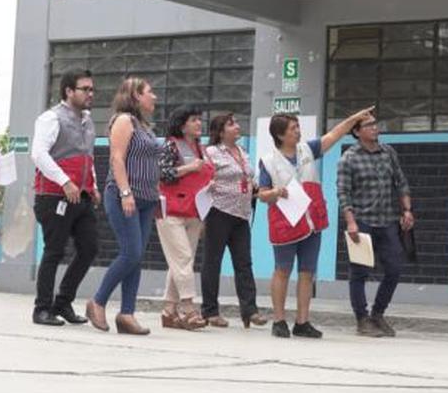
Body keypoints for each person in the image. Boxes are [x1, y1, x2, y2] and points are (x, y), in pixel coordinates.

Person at [257, 107, 375, 339]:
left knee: (307, 272)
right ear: (280, 135)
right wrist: (275, 192)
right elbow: (261, 194)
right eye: (293, 128)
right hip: (286, 222)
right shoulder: (269, 161)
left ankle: (302, 321)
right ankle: (279, 320)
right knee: (282, 270)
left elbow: (334, 134)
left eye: (298, 126)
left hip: (312, 221)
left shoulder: (307, 150)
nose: (298, 131)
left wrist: (353, 117)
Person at [86, 78, 159, 335]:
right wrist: (126, 192)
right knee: (131, 252)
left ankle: (127, 314)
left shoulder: (145, 126)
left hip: (147, 200)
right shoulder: (124, 121)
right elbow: (116, 158)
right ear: (136, 96)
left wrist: (156, 196)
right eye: (150, 92)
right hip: (123, 196)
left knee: (136, 257)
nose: (155, 97)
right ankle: (98, 300)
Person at [29, 69, 99, 326]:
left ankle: (63, 302)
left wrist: (94, 185)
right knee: (54, 251)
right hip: (53, 195)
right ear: (69, 91)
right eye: (85, 89)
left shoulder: (88, 121)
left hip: (81, 196)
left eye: (92, 89)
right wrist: (65, 181)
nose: (90, 94)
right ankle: (42, 309)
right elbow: (39, 154)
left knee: (89, 248)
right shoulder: (51, 118)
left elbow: (87, 157)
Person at [337, 113, 413, 338]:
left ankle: (378, 314)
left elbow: (401, 182)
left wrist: (407, 210)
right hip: (361, 222)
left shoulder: (388, 153)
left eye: (375, 124)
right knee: (359, 272)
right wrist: (351, 222)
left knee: (395, 268)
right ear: (357, 132)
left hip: (387, 220)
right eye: (368, 125)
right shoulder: (348, 158)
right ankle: (362, 319)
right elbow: (343, 193)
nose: (374, 128)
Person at [200, 113, 266, 329]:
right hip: (218, 212)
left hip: (241, 214)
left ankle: (250, 311)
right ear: (220, 132)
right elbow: (202, 181)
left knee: (244, 263)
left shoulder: (243, 153)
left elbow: (249, 180)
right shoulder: (211, 153)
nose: (237, 126)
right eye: (231, 124)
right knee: (212, 262)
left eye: (237, 122)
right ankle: (210, 311)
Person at [155, 105, 211, 330]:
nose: (199, 123)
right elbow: (163, 174)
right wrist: (188, 168)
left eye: (200, 119)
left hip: (194, 211)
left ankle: (168, 311)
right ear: (182, 124)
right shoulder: (169, 145)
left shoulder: (201, 148)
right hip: (171, 211)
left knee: (180, 262)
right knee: (184, 259)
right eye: (194, 120)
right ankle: (188, 308)